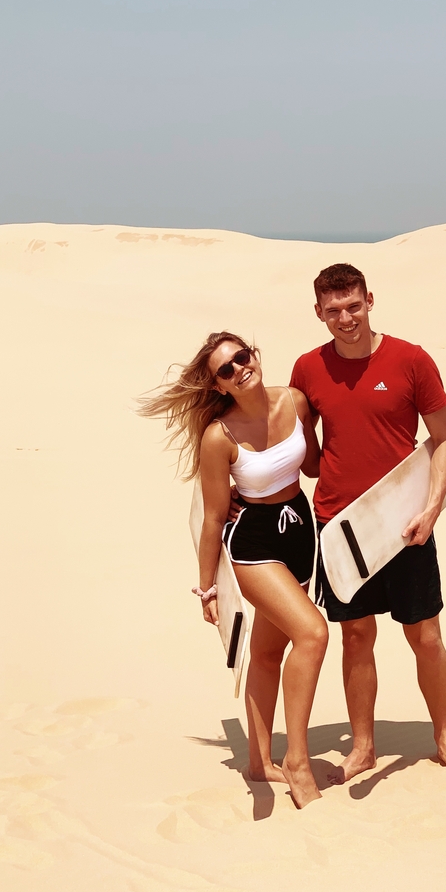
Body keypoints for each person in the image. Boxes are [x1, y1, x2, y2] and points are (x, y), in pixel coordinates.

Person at [290, 264, 446, 784]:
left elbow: (445, 439)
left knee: (426, 637)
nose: (345, 318)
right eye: (333, 311)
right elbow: (306, 457)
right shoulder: (307, 369)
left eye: (353, 306)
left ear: (370, 299)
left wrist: (432, 508)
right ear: (318, 313)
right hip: (341, 524)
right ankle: (364, 747)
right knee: (356, 637)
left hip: (405, 521)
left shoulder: (411, 360)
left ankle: (444, 737)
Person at [138, 331, 328, 808]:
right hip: (254, 543)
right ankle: (298, 762)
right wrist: (207, 589)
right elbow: (212, 517)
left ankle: (259, 761)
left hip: (300, 531)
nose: (239, 368)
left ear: (254, 354)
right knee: (313, 634)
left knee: (268, 652)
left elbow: (315, 467)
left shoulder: (296, 401)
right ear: (219, 386)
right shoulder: (219, 437)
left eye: (241, 357)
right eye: (226, 369)